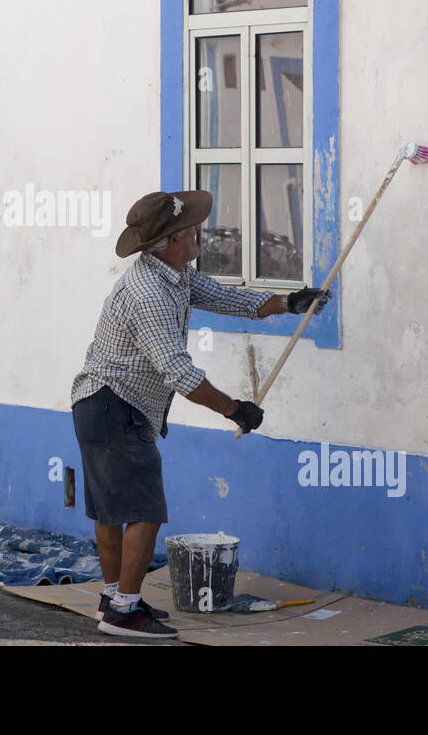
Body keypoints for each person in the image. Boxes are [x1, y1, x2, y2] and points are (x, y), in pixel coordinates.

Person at [69, 190, 331, 638]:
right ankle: (124, 612)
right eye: (192, 229)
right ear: (173, 240)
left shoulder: (175, 273)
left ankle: (114, 598)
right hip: (114, 407)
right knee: (144, 512)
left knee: (111, 511)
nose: (199, 232)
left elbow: (230, 300)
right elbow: (178, 372)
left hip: (101, 405)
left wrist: (288, 303)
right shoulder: (148, 292)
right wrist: (236, 409)